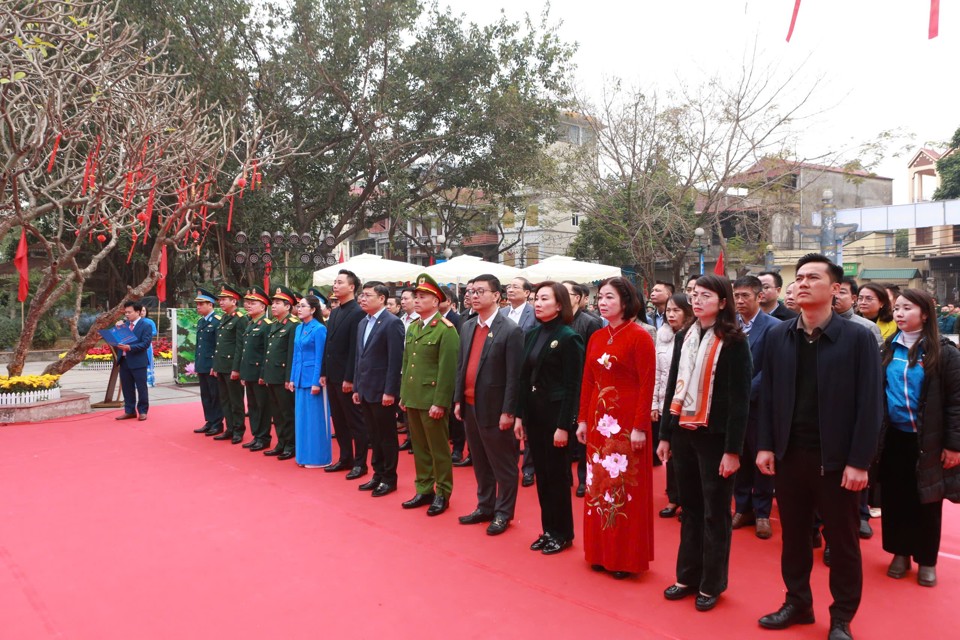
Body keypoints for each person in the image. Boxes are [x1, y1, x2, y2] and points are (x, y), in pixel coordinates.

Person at [756, 254, 883, 640]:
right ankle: (798, 603)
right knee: (794, 536)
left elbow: (871, 404)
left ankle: (842, 617)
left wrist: (860, 461)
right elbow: (768, 395)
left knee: (842, 542)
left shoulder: (858, 337)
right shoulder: (780, 335)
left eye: (814, 277)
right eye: (799, 278)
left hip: (838, 460)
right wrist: (765, 445)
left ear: (836, 288)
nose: (803, 284)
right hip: (790, 454)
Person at [657, 274, 752, 612]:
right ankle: (687, 576)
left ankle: (712, 583)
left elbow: (741, 400)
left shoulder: (734, 341)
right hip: (683, 431)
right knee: (691, 509)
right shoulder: (686, 336)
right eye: (694, 295)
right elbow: (673, 387)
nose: (696, 301)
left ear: (723, 301)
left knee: (715, 513)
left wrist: (733, 449)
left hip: (715, 438)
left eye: (705, 296)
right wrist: (666, 434)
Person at [878, 288, 960, 588]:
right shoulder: (888, 348)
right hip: (896, 438)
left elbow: (956, 402)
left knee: (927, 500)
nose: (899, 313)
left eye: (907, 308)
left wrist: (953, 445)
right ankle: (899, 552)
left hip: (930, 440)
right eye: (896, 308)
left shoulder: (944, 352)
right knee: (896, 497)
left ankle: (927, 559)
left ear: (925, 313)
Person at [577, 277, 655, 578]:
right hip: (599, 421)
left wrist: (639, 427)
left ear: (626, 301)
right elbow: (587, 381)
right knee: (599, 484)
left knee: (624, 486)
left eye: (609, 297)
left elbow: (647, 385)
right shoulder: (597, 336)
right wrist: (582, 419)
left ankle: (624, 557)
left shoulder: (639, 336)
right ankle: (599, 551)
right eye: (600, 297)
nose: (602, 302)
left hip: (626, 421)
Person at [514, 282, 584, 555]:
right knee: (542, 475)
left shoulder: (569, 337)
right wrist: (520, 415)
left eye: (544, 299)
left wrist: (564, 426)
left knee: (557, 476)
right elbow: (523, 378)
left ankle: (563, 533)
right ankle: (548, 529)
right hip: (535, 414)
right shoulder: (532, 333)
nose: (537, 303)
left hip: (556, 417)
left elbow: (572, 386)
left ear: (560, 304)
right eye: (536, 298)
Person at [454, 274, 524, 535]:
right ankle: (485, 505)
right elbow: (461, 366)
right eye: (471, 291)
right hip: (470, 405)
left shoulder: (510, 330)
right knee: (480, 460)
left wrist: (509, 411)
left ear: (496, 296)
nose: (473, 295)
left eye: (480, 291)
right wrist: (458, 399)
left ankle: (503, 513)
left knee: (503, 464)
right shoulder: (468, 326)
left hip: (496, 409)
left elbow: (514, 376)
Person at [399, 273, 460, 516]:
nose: (417, 300)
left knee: (438, 449)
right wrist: (404, 394)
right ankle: (424, 488)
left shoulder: (446, 330)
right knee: (421, 447)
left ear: (436, 301)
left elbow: (447, 370)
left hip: (431, 399)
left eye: (423, 296)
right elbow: (407, 363)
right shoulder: (413, 327)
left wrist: (440, 402)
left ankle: (443, 492)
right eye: (416, 296)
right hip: (414, 396)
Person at [731, 276, 780, 540]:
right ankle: (742, 507)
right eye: (736, 295)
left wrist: (745, 391)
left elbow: (772, 369)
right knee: (739, 457)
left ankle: (762, 512)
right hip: (733, 408)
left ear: (759, 296)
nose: (739, 301)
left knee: (761, 458)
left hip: (761, 405)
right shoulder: (728, 325)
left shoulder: (776, 327)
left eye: (745, 296)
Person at [352, 281, 406, 497]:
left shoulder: (391, 323)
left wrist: (390, 391)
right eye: (361, 295)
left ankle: (389, 478)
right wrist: (356, 386)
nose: (362, 299)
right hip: (365, 388)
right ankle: (377, 473)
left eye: (367, 295)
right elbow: (359, 357)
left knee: (386, 436)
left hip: (382, 390)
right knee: (373, 435)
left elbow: (396, 360)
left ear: (382, 298)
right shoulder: (363, 323)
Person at [321, 269, 369, 479]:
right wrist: (324, 372)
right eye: (335, 282)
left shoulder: (357, 312)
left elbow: (354, 349)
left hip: (346, 378)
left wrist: (350, 378)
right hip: (332, 375)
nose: (335, 285)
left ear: (351, 287)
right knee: (338, 420)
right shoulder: (336, 311)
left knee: (354, 421)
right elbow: (328, 345)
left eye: (340, 282)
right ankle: (345, 457)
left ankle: (360, 463)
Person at [653, 293, 693, 519]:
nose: (671, 314)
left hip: (688, 404)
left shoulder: (694, 336)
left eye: (676, 310)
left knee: (686, 454)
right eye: (668, 310)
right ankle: (673, 498)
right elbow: (658, 372)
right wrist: (654, 403)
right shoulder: (663, 335)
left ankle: (689, 501)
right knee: (670, 451)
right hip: (666, 401)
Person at [564, 281, 604, 497]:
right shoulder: (557, 320)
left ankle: (583, 478)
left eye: (566, 292)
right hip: (561, 386)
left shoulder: (590, 323)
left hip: (582, 385)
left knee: (582, 436)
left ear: (578, 298)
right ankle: (565, 477)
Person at [289, 295, 331, 468]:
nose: (299, 309)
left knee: (315, 421)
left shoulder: (319, 329)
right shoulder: (299, 328)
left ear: (313, 310)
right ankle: (303, 456)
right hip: (299, 378)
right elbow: (295, 355)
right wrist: (292, 378)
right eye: (298, 306)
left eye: (303, 306)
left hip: (312, 380)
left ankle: (318, 457)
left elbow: (320, 357)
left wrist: (316, 382)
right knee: (301, 419)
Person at [261, 287, 300, 460]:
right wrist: (264, 373)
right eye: (273, 303)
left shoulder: (293, 324)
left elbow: (292, 354)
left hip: (283, 376)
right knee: (276, 412)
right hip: (272, 374)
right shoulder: (274, 324)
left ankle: (291, 445)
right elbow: (268, 352)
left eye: (277, 303)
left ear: (288, 306)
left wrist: (288, 378)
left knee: (286, 413)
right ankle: (281, 442)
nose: (273, 306)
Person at [238, 287, 274, 451]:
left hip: (259, 372)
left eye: (253, 303)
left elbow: (266, 352)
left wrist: (263, 374)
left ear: (263, 306)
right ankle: (256, 435)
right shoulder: (250, 324)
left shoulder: (266, 325)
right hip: (249, 372)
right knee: (252, 406)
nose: (249, 305)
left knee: (262, 406)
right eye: (248, 302)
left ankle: (264, 437)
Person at [213, 284, 249, 443]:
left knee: (236, 400)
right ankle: (229, 428)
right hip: (221, 365)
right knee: (225, 399)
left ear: (234, 301)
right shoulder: (225, 317)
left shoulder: (240, 319)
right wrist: (215, 365)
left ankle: (238, 430)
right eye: (220, 300)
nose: (220, 302)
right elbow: (220, 344)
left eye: (224, 300)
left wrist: (236, 368)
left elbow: (240, 346)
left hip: (232, 367)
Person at [114, 300, 153, 421]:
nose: (126, 314)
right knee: (127, 387)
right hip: (124, 360)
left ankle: (142, 411)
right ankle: (129, 411)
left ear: (138, 312)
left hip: (138, 361)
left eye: (129, 312)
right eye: (125, 312)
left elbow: (145, 344)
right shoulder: (123, 324)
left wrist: (130, 347)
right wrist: (116, 330)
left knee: (141, 387)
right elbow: (117, 340)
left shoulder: (145, 325)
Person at [193, 288, 225, 436]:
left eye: (201, 304)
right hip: (202, 364)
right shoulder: (201, 322)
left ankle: (217, 423)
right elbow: (200, 345)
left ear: (210, 304)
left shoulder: (217, 321)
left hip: (212, 365)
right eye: (197, 304)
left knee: (215, 395)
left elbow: (219, 346)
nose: (198, 307)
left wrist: (216, 365)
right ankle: (210, 421)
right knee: (205, 394)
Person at [834, 278, 883, 347]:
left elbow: (875, 355)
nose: (836, 296)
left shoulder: (867, 327)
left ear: (854, 298)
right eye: (833, 291)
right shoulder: (818, 323)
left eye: (842, 292)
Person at [139, 307, 159, 387]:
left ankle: (149, 381)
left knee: (148, 361)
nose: (142, 312)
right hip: (136, 345)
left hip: (147, 345)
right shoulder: (135, 322)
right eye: (141, 310)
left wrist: (146, 334)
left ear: (146, 311)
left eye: (144, 310)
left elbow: (154, 332)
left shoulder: (149, 321)